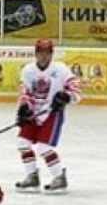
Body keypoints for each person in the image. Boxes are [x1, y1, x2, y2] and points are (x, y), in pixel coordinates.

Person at [15, 38, 82, 193]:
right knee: (22, 143)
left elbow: (75, 88)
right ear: (35, 54)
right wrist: (23, 109)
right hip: (34, 113)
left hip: (52, 113)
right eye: (40, 52)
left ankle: (59, 177)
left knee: (43, 147)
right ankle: (32, 176)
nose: (43, 56)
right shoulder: (28, 70)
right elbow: (25, 92)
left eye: (47, 53)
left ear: (51, 54)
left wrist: (66, 97)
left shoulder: (61, 69)